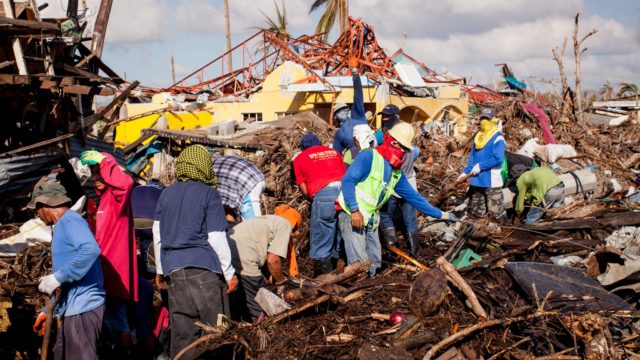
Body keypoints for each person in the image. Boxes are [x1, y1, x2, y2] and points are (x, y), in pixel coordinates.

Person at [338, 122, 457, 276]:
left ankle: (370, 285)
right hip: (352, 215)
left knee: (375, 260)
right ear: (392, 142)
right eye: (402, 148)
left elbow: (415, 199)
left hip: (370, 218)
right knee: (359, 264)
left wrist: (442, 215)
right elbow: (347, 181)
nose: (404, 153)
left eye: (406, 150)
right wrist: (354, 210)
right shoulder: (369, 156)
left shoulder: (396, 174)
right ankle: (355, 292)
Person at [152, 144, 238, 358]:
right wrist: (229, 274)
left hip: (174, 272)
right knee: (215, 334)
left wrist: (160, 270)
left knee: (183, 336)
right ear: (203, 166)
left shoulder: (165, 195)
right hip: (204, 272)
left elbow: (158, 235)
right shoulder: (209, 194)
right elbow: (216, 236)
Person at [29, 179, 105, 360]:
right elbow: (65, 281)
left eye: (36, 209)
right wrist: (48, 312)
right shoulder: (62, 226)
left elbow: (91, 249)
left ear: (44, 204)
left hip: (83, 307)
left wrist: (59, 277)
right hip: (71, 308)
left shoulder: (70, 220)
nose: (37, 215)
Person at [80, 150, 137, 351]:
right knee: (111, 322)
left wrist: (105, 161)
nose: (95, 178)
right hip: (104, 269)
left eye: (99, 173)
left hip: (114, 272)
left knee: (118, 321)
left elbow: (126, 183)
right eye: (93, 173)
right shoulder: (103, 199)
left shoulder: (116, 196)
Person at [227, 205, 302, 322]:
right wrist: (283, 282)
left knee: (240, 299)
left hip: (227, 251)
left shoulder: (269, 220)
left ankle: (240, 324)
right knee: (260, 302)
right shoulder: (285, 224)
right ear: (295, 222)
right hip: (244, 257)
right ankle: (259, 332)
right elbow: (273, 260)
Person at [293, 133, 346, 276]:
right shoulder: (334, 152)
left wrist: (316, 200)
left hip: (324, 193)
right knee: (341, 232)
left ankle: (323, 277)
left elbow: (304, 189)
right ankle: (341, 270)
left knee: (322, 234)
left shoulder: (299, 159)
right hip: (345, 192)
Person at [457, 108, 507, 222]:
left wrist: (481, 166)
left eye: (487, 119)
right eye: (482, 118)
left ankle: (501, 234)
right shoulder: (478, 138)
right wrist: (465, 172)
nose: (484, 121)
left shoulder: (498, 138)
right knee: (477, 213)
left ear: (493, 120)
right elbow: (472, 158)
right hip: (476, 181)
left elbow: (498, 159)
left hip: (491, 181)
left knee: (496, 214)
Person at [379, 143, 421, 257]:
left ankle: (393, 250)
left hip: (393, 185)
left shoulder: (390, 151)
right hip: (410, 185)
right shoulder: (414, 150)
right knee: (410, 220)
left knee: (385, 215)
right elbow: (417, 151)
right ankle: (415, 253)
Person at [212, 155, 266, 220]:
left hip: (247, 183)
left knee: (253, 224)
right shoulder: (211, 164)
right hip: (255, 177)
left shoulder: (204, 175)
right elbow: (227, 206)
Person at [332, 60, 367, 154]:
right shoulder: (339, 133)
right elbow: (337, 154)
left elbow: (358, 96)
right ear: (336, 116)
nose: (343, 112)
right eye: (339, 111)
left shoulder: (357, 118)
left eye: (344, 109)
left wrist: (355, 76)